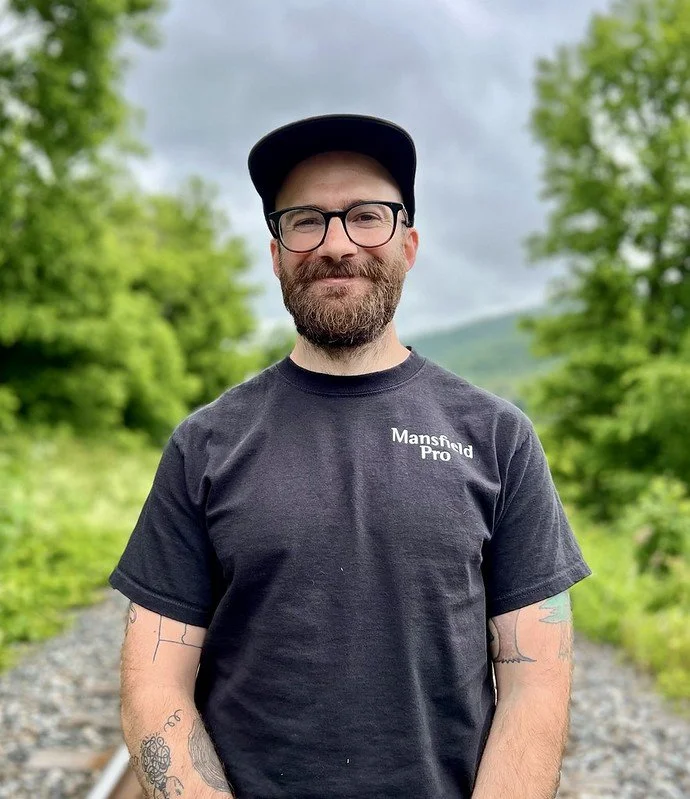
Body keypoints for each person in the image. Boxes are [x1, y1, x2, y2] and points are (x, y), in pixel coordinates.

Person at [109, 113, 592, 799]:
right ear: (276, 253)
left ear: (409, 244)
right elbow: (154, 680)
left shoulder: (498, 437)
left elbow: (535, 686)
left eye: (367, 216)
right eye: (305, 220)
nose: (336, 244)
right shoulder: (206, 444)